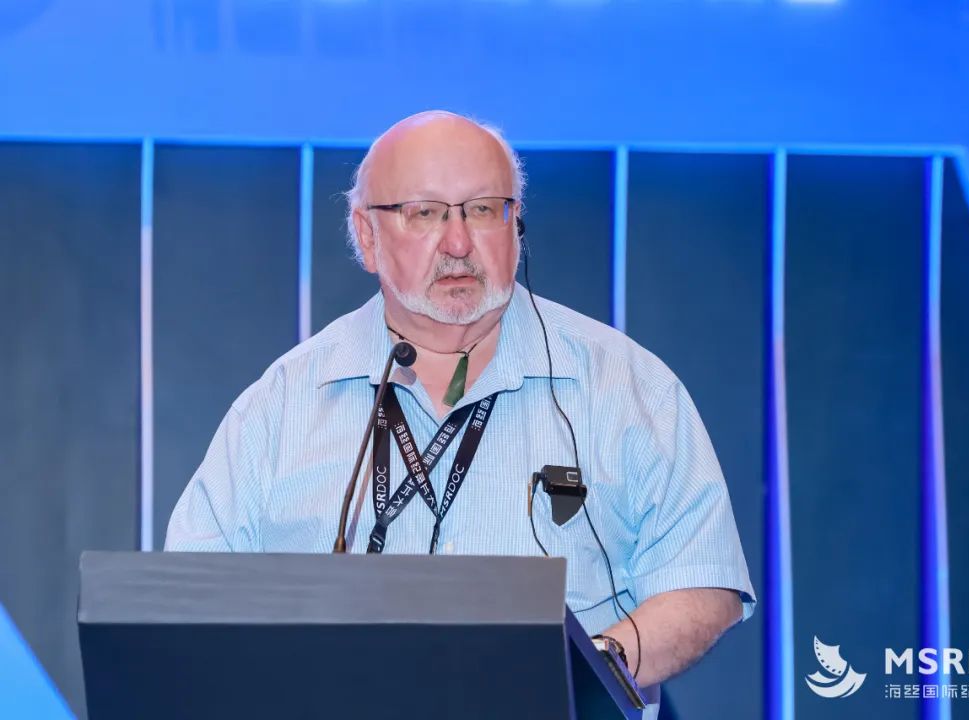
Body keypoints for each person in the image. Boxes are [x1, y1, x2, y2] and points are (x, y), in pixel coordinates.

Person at [165, 110, 755, 700]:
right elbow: (192, 601)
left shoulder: (626, 386)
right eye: (424, 213)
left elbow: (704, 583)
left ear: (516, 225)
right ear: (367, 236)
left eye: (483, 209)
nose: (458, 243)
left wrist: (586, 672)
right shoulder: (282, 404)